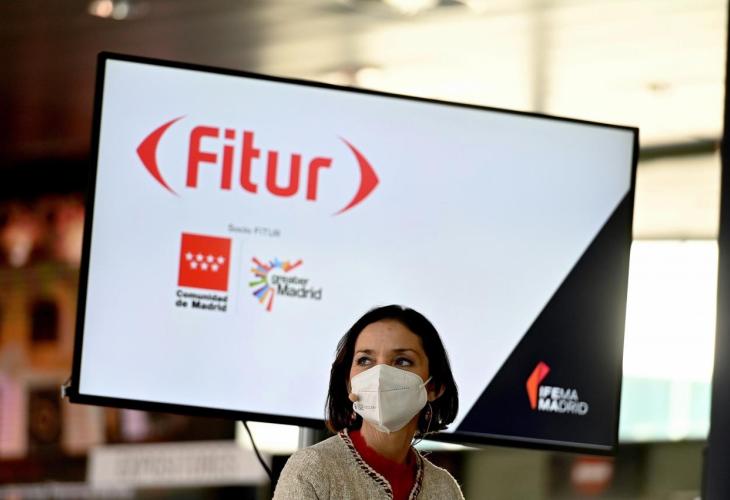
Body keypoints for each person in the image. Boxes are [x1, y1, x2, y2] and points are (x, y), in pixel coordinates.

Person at [273, 304, 464, 500]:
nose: (379, 375)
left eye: (402, 361)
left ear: (434, 387)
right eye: (364, 360)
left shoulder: (445, 489)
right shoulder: (311, 469)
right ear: (349, 384)